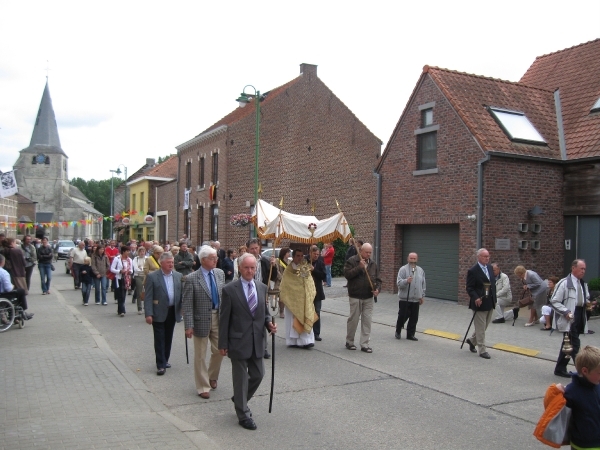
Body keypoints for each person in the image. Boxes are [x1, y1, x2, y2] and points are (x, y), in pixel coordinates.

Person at [218, 252, 277, 430]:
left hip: (257, 339)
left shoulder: (261, 287)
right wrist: (222, 344)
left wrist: (269, 324)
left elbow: (264, 312)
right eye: (246, 267)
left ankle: (240, 398)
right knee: (241, 378)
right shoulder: (229, 290)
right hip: (237, 340)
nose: (249, 271)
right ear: (239, 268)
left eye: (252, 268)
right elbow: (224, 319)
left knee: (258, 374)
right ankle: (243, 414)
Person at [182, 246, 225, 398]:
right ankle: (202, 386)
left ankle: (212, 376)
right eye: (213, 258)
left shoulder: (219, 274)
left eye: (216, 257)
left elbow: (223, 295)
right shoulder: (192, 278)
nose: (216, 260)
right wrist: (188, 325)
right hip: (200, 319)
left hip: (217, 317)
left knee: (220, 350)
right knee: (200, 355)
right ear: (203, 260)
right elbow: (187, 304)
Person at [551, 259, 597, 378]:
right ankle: (583, 373)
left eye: (584, 269)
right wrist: (566, 312)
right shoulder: (564, 283)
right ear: (573, 268)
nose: (583, 271)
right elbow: (554, 301)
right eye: (581, 268)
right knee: (575, 344)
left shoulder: (582, 283)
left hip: (580, 315)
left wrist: (589, 304)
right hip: (570, 317)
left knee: (568, 344)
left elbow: (583, 299)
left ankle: (560, 368)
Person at [144, 251, 183, 376]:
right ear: (161, 263)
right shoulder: (152, 276)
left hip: (172, 310)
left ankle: (165, 359)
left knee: (168, 337)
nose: (171, 264)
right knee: (159, 338)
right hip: (158, 311)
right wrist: (148, 314)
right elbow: (148, 297)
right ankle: (160, 364)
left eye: (172, 262)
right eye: (168, 262)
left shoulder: (178, 276)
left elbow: (181, 294)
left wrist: (182, 308)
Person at [344, 243, 381, 353]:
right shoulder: (352, 261)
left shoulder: (373, 264)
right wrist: (359, 267)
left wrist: (378, 289)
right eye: (366, 252)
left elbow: (378, 279)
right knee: (353, 320)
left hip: (368, 296)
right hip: (355, 295)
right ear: (361, 251)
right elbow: (347, 274)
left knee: (367, 321)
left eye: (370, 252)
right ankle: (349, 341)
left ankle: (364, 344)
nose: (368, 254)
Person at [562, 345, 600, 449]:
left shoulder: (597, 385)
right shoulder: (572, 391)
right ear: (585, 371)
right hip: (582, 445)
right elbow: (560, 417)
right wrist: (554, 393)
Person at [279, 249, 317, 348]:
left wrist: (309, 271)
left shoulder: (305, 267)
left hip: (304, 299)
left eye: (301, 256)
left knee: (305, 317)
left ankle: (306, 341)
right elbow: (286, 284)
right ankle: (292, 341)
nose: (300, 258)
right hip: (292, 300)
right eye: (298, 256)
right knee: (291, 320)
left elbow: (308, 282)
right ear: (294, 256)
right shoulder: (289, 269)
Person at [246, 238, 277, 358]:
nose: (254, 250)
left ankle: (263, 348)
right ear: (248, 249)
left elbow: (273, 277)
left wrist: (273, 266)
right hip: (248, 294)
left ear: (259, 248)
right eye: (252, 248)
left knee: (263, 321)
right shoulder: (244, 261)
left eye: (256, 248)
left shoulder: (265, 261)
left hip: (261, 294)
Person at [465, 248, 497, 359]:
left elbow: (491, 284)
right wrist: (476, 297)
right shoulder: (473, 270)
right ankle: (482, 350)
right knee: (480, 328)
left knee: (484, 327)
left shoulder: (490, 268)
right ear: (479, 257)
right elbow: (469, 287)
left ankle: (472, 340)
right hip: (479, 303)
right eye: (485, 256)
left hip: (490, 301)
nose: (487, 258)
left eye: (488, 256)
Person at [395, 252, 425, 340]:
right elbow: (399, 283)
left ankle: (410, 334)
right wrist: (406, 281)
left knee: (414, 318)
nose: (412, 260)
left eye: (414, 258)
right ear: (408, 259)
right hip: (405, 298)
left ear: (417, 259)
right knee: (403, 315)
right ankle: (398, 330)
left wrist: (422, 296)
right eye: (411, 258)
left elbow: (423, 284)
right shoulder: (403, 269)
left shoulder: (420, 270)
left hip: (416, 299)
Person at [0, 254, 33, 320]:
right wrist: (13, 286)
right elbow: (8, 288)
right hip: (2, 295)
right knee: (21, 291)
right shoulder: (3, 273)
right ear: (2, 262)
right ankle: (22, 310)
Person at [308, 245, 326, 341]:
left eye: (317, 254)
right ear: (310, 253)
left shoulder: (320, 262)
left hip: (317, 291)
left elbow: (323, 275)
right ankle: (307, 331)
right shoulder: (305, 261)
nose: (316, 256)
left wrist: (314, 270)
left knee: (317, 312)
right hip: (307, 291)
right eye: (314, 254)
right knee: (307, 311)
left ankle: (316, 333)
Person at [110, 246, 133, 316]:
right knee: (120, 294)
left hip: (126, 279)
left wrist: (130, 272)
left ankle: (120, 309)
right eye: (127, 251)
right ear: (123, 252)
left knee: (124, 294)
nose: (128, 252)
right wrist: (119, 271)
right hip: (119, 278)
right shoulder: (117, 259)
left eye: (129, 251)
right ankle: (122, 310)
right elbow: (112, 269)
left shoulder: (129, 260)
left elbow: (131, 269)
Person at [274, 247, 290, 318]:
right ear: (284, 253)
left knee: (284, 297)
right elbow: (276, 271)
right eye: (288, 253)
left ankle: (284, 310)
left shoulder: (289, 262)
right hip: (279, 281)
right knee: (279, 297)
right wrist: (281, 278)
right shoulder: (278, 261)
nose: (289, 254)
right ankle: (279, 311)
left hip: (287, 282)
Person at [132, 247, 147, 314]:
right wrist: (141, 269)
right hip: (138, 276)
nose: (142, 253)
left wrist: (143, 269)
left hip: (146, 276)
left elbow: (148, 267)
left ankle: (146, 307)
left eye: (143, 251)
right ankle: (139, 308)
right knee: (139, 292)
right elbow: (135, 268)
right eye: (140, 251)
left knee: (147, 292)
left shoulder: (147, 258)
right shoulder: (136, 259)